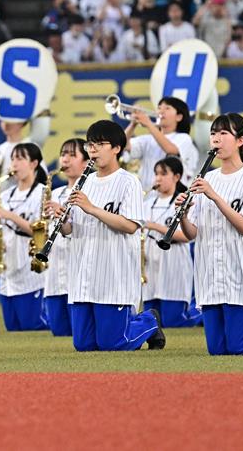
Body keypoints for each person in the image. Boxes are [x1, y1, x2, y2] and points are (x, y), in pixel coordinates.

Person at [58, 120, 165, 351]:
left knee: (114, 344)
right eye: (90, 145)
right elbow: (70, 230)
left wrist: (92, 208)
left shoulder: (128, 182)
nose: (93, 150)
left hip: (113, 276)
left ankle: (149, 321)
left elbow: (131, 226)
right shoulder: (83, 182)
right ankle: (141, 322)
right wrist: (63, 220)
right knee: (84, 345)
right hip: (83, 275)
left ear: (116, 148)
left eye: (100, 144)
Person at [179, 113, 243, 355]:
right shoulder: (206, 178)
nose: (216, 139)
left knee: (238, 349)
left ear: (240, 140)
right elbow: (192, 233)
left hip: (239, 274)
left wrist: (215, 196)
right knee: (216, 351)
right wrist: (183, 215)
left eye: (224, 133)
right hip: (209, 274)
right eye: (213, 133)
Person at [0, 143, 49, 331]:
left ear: (34, 163)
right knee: (12, 330)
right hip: (7, 269)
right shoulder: (4, 194)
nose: (14, 164)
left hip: (30, 270)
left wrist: (10, 216)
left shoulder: (43, 193)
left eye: (20, 158)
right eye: (12, 159)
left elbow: (40, 232)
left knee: (32, 328)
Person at [142, 157, 201, 327]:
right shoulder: (147, 204)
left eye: (163, 174)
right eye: (156, 174)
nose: (158, 178)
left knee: (173, 321)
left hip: (174, 262)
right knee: (152, 319)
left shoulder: (183, 203)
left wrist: (154, 226)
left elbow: (187, 236)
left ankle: (201, 317)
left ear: (176, 177)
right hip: (151, 264)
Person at [43, 139, 89, 336]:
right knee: (59, 332)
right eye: (63, 154)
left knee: (79, 333)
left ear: (86, 163)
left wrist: (63, 216)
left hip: (78, 268)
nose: (65, 159)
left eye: (72, 155)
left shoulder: (89, 192)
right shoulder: (55, 193)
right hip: (54, 270)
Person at [124, 96, 198, 190]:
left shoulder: (184, 138)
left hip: (173, 195)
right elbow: (123, 144)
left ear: (179, 117)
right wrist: (133, 124)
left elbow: (171, 150)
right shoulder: (147, 139)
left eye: (167, 108)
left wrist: (148, 123)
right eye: (159, 108)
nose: (161, 111)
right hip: (148, 194)